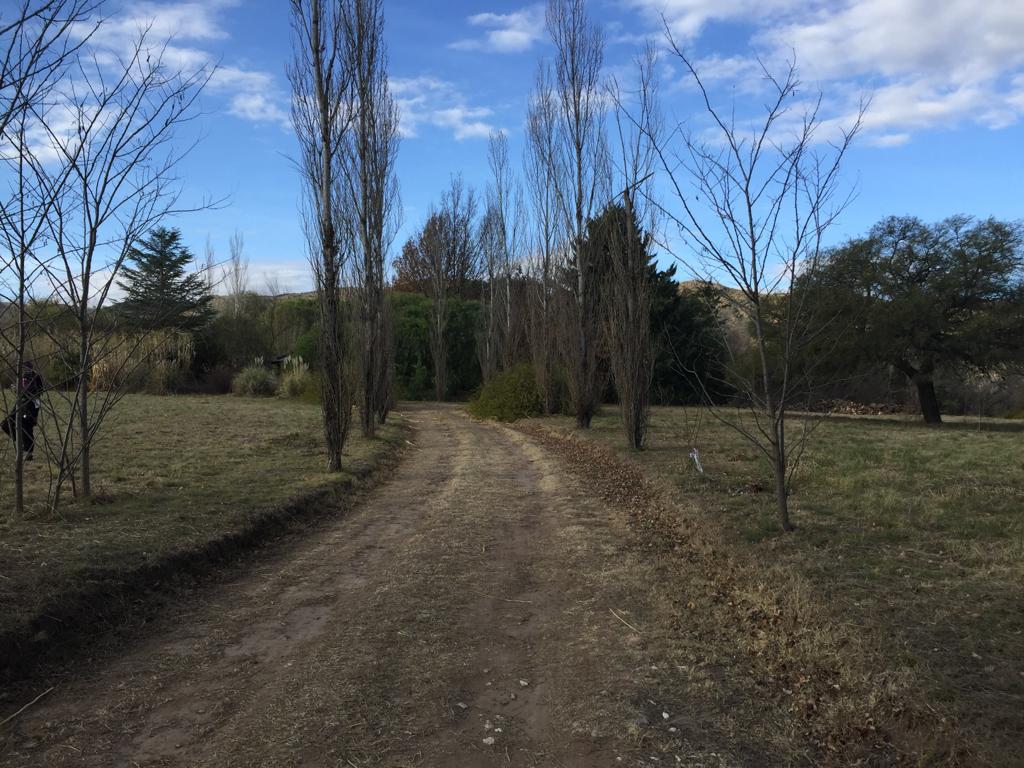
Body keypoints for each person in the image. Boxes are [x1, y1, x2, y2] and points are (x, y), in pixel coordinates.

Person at [2, 361, 45, 461]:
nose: (25, 370)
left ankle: (28, 453)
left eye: (26, 368)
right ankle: (19, 442)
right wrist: (16, 388)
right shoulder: (22, 376)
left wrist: (22, 390)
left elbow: (38, 391)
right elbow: (21, 390)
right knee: (6, 424)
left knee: (27, 426)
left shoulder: (36, 377)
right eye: (23, 368)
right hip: (20, 403)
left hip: (32, 404)